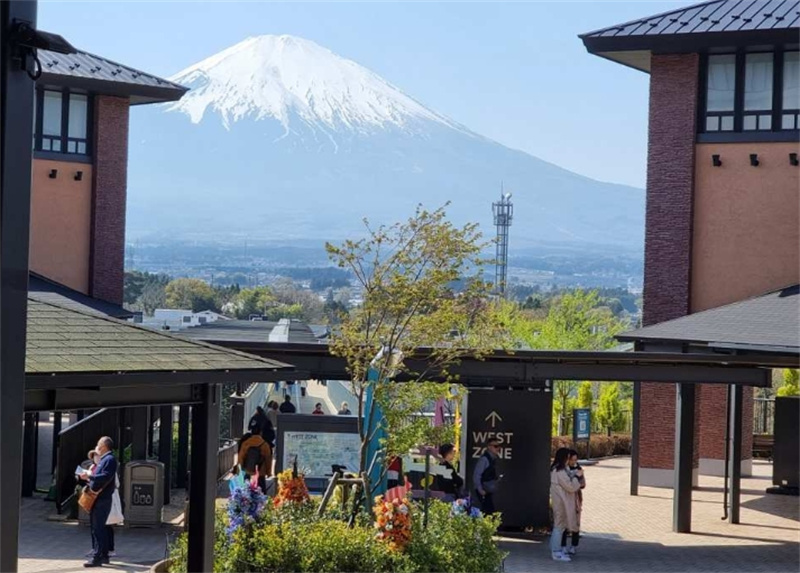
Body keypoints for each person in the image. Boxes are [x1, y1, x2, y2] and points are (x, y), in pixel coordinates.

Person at [78, 436, 118, 567]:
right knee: (99, 527)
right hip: (98, 497)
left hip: (102, 498)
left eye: (98, 444)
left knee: (98, 528)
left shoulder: (109, 459)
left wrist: (90, 475)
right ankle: (104, 555)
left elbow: (105, 476)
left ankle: (98, 556)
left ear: (104, 446)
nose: (97, 447)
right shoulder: (105, 459)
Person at [83, 450, 123, 560]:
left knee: (105, 525)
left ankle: (107, 550)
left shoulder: (108, 466)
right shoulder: (93, 467)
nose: (96, 457)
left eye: (97, 455)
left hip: (105, 498)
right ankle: (97, 549)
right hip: (92, 498)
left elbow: (113, 482)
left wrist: (91, 478)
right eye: (94, 456)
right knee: (95, 525)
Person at [550, 447, 583, 562]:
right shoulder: (559, 471)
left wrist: (574, 474)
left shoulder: (559, 469)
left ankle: (557, 550)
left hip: (561, 502)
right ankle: (556, 552)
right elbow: (570, 486)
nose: (569, 460)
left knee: (560, 526)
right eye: (568, 457)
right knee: (559, 527)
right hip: (561, 503)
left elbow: (569, 477)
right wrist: (577, 476)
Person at [561, 449, 586, 556]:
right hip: (565, 497)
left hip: (575, 498)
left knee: (575, 523)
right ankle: (562, 546)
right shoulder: (562, 469)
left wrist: (577, 479)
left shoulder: (579, 468)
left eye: (576, 460)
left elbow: (583, 484)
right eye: (572, 460)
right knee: (564, 522)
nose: (574, 462)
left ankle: (573, 546)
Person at [235, 430, 272, 494]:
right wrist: (268, 473)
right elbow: (268, 460)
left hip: (248, 471)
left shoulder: (246, 443)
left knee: (246, 493)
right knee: (261, 494)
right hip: (260, 473)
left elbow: (241, 458)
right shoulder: (265, 445)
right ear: (261, 433)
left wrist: (239, 472)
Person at [472, 438, 501, 515]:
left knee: (488, 512)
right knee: (487, 512)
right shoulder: (484, 459)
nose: (498, 448)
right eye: (495, 446)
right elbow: (476, 475)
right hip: (482, 492)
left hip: (487, 491)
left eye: (499, 446)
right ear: (489, 447)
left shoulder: (493, 459)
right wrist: (480, 490)